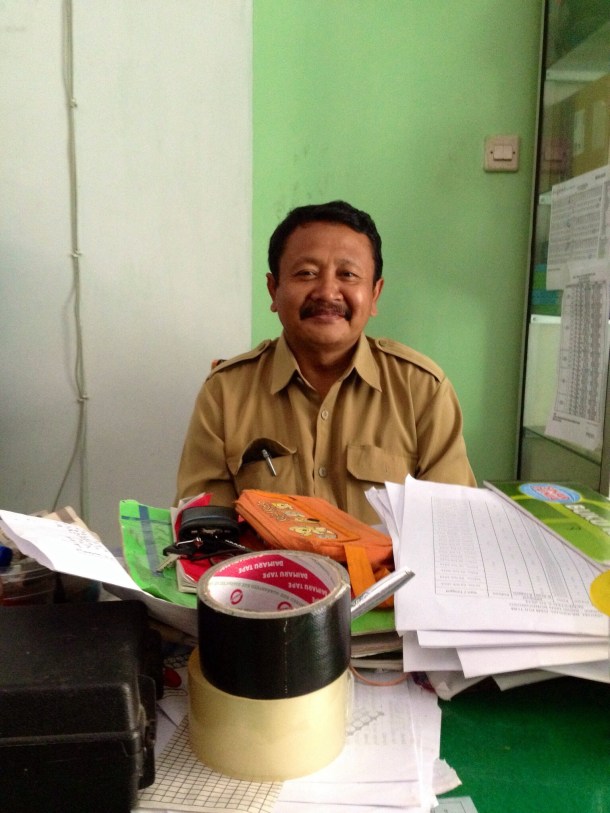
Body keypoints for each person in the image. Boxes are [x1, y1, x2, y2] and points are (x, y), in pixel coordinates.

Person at [176, 200, 475, 524]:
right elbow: (204, 529)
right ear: (274, 290)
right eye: (307, 273)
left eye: (347, 274)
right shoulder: (225, 393)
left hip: (390, 576)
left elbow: (451, 528)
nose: (327, 291)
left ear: (374, 294)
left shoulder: (422, 391)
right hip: (262, 576)